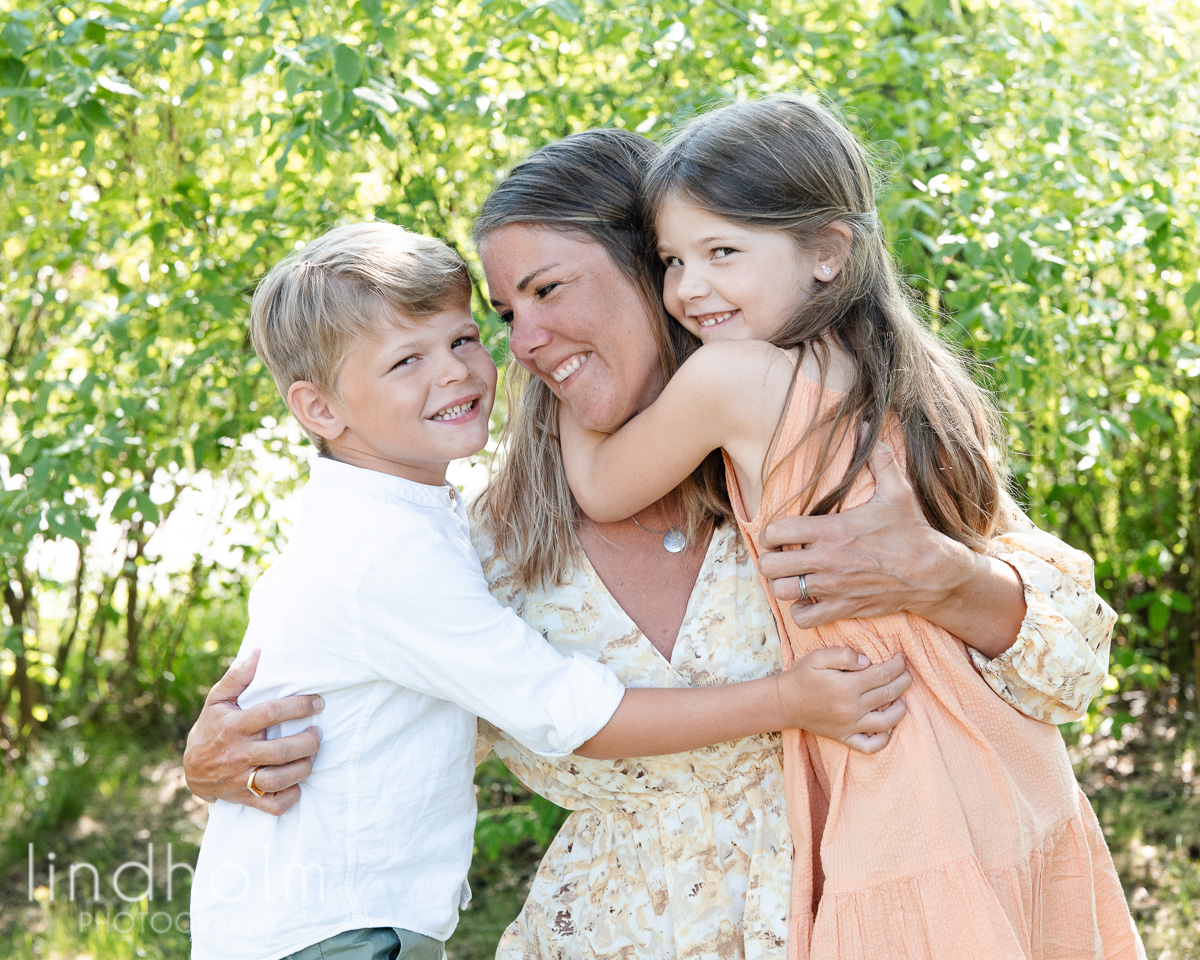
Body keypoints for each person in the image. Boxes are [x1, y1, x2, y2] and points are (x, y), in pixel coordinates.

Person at [184, 129, 1120, 960]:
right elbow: (376, 707)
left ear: (659, 274)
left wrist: (944, 575)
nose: (526, 342)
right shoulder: (494, 545)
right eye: (507, 314)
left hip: (849, 901)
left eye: (549, 291)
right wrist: (221, 760)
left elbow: (1068, 662)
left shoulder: (816, 449)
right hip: (611, 929)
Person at [189, 221, 914, 960]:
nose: (455, 373)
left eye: (465, 339)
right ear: (320, 410)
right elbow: (563, 712)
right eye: (408, 360)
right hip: (333, 931)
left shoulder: (395, 520)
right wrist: (786, 700)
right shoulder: (389, 552)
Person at [558, 95, 1144, 959]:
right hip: (1002, 749)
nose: (687, 288)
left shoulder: (734, 376)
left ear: (828, 251)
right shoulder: (918, 376)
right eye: (672, 260)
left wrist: (565, 373)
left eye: (723, 252)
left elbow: (603, 487)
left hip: (895, 753)